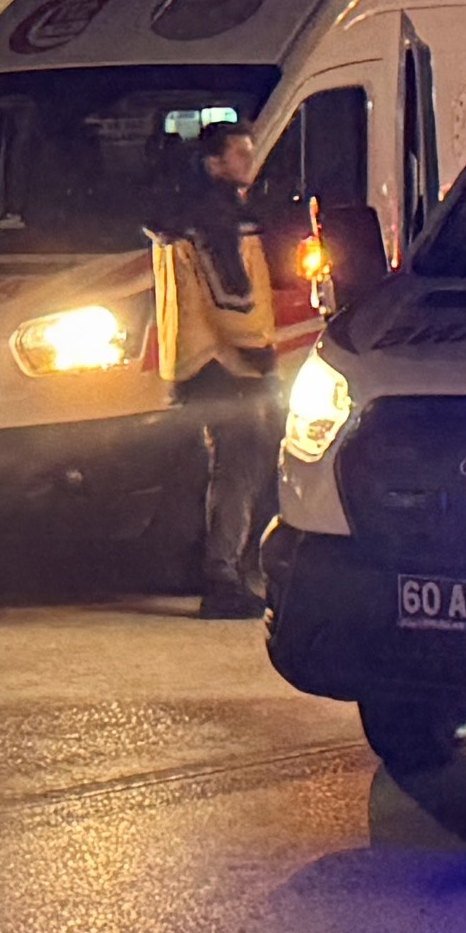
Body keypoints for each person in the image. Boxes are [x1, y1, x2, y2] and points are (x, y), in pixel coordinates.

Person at [153, 120, 287, 618]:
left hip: (193, 363)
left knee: (210, 467)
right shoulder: (215, 217)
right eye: (240, 155)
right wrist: (260, 353)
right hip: (229, 365)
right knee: (241, 468)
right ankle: (224, 577)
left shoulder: (178, 212)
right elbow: (232, 295)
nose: (248, 164)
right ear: (214, 163)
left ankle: (199, 565)